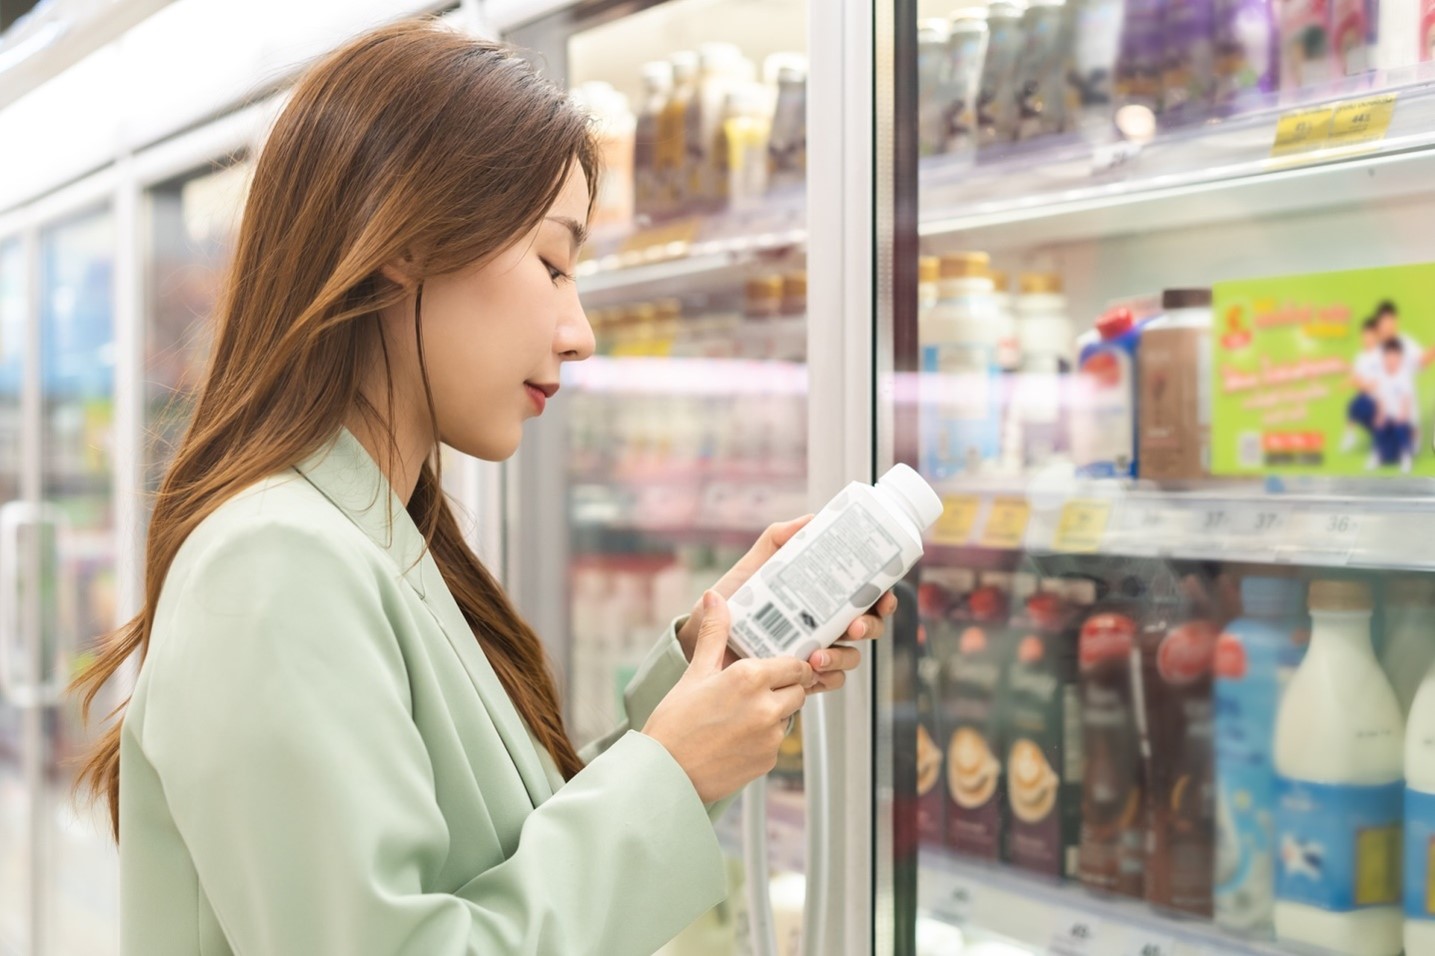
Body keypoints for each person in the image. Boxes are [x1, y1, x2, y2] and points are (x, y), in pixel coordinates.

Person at [69, 21, 892, 956]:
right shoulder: (275, 565)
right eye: (551, 263)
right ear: (404, 242)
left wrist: (713, 672)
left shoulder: (376, 541)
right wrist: (672, 775)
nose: (579, 332)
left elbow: (504, 862)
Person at [1372, 337, 1416, 472]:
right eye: (1388, 356)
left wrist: (1403, 414)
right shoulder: (1382, 377)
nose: (1391, 360)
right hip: (1388, 417)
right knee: (1379, 425)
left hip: (1402, 418)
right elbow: (1381, 401)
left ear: (1400, 358)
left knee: (1400, 427)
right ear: (1384, 358)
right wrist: (1379, 415)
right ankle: (1377, 455)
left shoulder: (1404, 377)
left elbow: (1406, 399)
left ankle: (1406, 456)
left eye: (1394, 357)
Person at [1342, 315, 1381, 454]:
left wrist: (1365, 385)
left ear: (1376, 336)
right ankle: (1350, 436)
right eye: (1364, 335)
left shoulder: (1381, 355)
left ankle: (1381, 441)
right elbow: (1356, 377)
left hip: (1380, 400)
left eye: (1370, 335)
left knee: (1359, 405)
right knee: (1354, 406)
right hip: (1365, 398)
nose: (1366, 339)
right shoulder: (1360, 357)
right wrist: (1348, 382)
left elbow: (1381, 380)